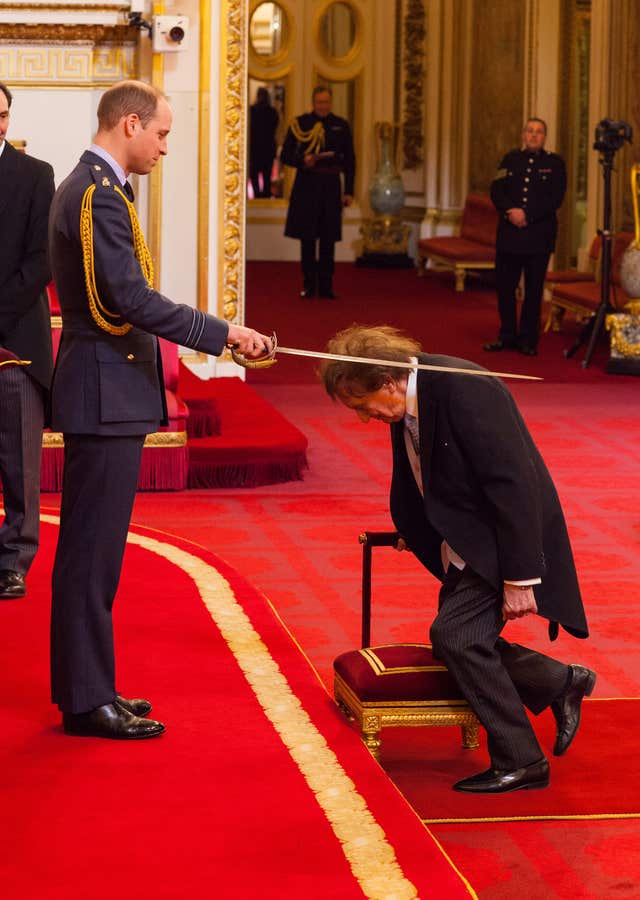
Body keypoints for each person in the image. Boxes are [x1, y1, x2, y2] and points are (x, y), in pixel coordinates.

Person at [48, 80, 273, 740]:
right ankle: (88, 702)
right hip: (102, 389)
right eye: (163, 134)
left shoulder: (101, 188)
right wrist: (223, 331)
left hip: (107, 388)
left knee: (96, 555)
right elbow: (129, 300)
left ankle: (90, 688)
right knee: (91, 557)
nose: (165, 147)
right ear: (130, 123)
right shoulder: (95, 193)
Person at [320, 324, 595, 794]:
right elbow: (428, 472)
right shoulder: (407, 399)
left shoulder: (465, 388)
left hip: (503, 543)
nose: (364, 418)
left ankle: (523, 759)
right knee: (458, 639)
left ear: (387, 382)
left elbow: (513, 485)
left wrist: (520, 577)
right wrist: (418, 531)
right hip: (469, 540)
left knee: (456, 637)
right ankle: (557, 681)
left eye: (363, 405)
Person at [0, 81, 55, 601]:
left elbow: (40, 262)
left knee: (19, 461)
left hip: (14, 343)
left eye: (1, 114)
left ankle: (13, 561)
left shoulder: (36, 175)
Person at [484, 117, 566, 356]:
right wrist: (511, 211)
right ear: (523, 135)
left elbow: (555, 198)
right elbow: (496, 190)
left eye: (539, 132)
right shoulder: (510, 160)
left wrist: (527, 215)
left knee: (533, 291)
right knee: (505, 288)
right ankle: (506, 335)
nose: (533, 135)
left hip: (538, 236)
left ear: (544, 137)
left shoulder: (555, 163)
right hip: (509, 235)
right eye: (530, 131)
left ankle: (529, 339)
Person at [281, 86, 355, 299]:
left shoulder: (341, 125)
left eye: (326, 102)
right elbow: (286, 155)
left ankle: (326, 286)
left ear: (330, 103)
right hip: (307, 186)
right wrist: (302, 161)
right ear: (313, 103)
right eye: (319, 102)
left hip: (331, 187)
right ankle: (308, 286)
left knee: (328, 238)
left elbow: (350, 161)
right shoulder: (300, 124)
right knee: (307, 238)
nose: (323, 106)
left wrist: (349, 191)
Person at [248, 86, 279, 199]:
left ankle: (256, 197)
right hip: (268, 150)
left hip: (254, 149)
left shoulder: (252, 110)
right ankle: (265, 196)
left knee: (254, 177)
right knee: (267, 177)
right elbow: (275, 128)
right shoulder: (272, 112)